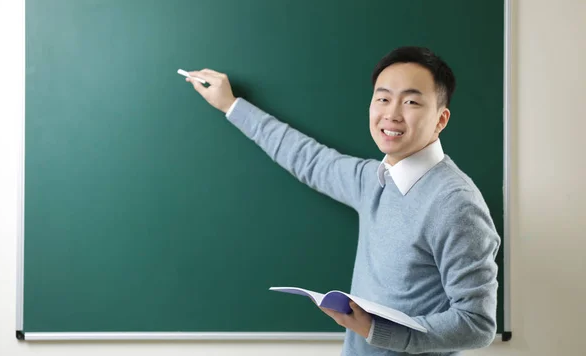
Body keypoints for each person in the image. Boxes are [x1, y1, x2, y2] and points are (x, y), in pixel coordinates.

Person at [184, 46, 501, 355]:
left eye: (412, 102)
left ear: (440, 120)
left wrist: (379, 332)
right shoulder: (374, 179)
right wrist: (231, 105)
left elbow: (477, 324)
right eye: (383, 98)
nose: (391, 113)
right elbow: (308, 159)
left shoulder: (455, 203)